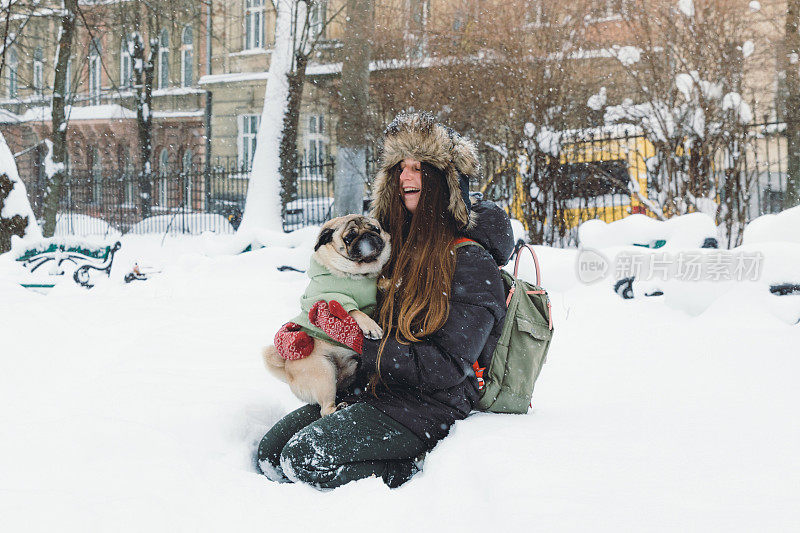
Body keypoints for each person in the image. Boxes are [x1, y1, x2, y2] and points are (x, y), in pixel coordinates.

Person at [256, 112, 514, 489]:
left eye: (419, 168)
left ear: (445, 182)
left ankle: (409, 471)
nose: (406, 177)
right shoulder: (395, 247)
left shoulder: (471, 262)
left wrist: (362, 342)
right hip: (375, 390)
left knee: (303, 460)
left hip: (430, 406)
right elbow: (350, 300)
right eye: (400, 169)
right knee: (271, 454)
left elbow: (446, 368)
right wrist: (312, 334)